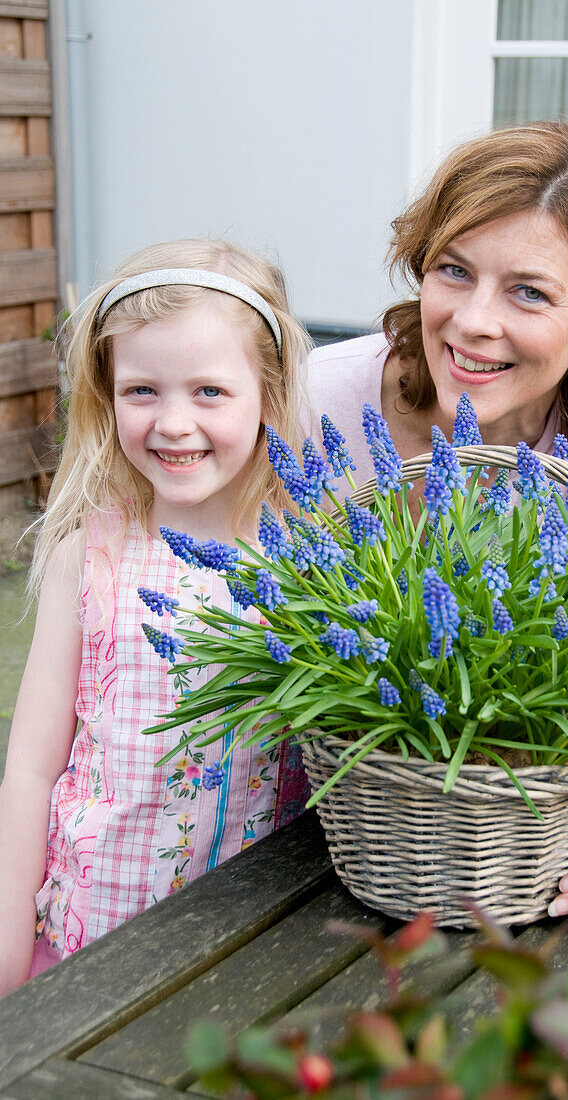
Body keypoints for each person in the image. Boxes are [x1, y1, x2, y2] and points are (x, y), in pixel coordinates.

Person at [307, 121, 568, 944]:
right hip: (327, 845)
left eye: (528, 292)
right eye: (453, 271)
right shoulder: (322, 400)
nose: (471, 321)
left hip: (523, 868)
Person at [0, 239, 310, 993]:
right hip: (88, 930)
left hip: (244, 942)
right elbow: (34, 764)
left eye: (209, 392)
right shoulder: (92, 552)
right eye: (143, 390)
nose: (173, 422)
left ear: (267, 394)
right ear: (107, 396)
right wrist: (8, 954)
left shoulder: (310, 560)